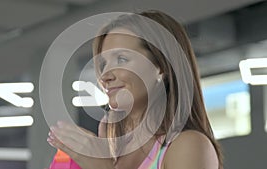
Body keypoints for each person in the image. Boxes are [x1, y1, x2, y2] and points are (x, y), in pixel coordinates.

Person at [47, 10, 223, 169]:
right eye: (103, 64)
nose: (105, 76)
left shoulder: (189, 145)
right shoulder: (111, 148)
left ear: (161, 66)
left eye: (122, 59)